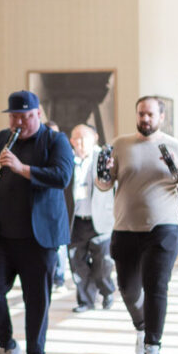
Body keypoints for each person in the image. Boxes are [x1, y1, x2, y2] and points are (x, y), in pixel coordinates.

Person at [96, 96, 178, 354]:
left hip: (162, 228)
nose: (145, 119)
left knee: (156, 286)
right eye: (141, 114)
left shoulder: (175, 146)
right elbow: (105, 185)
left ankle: (153, 345)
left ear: (161, 117)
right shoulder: (120, 144)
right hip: (125, 228)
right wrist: (104, 174)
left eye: (151, 115)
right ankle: (141, 326)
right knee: (128, 289)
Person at [0, 91, 73, 354]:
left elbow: (62, 176)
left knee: (37, 299)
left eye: (25, 116)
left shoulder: (56, 141)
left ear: (38, 115)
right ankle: (7, 345)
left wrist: (22, 169)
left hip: (38, 237)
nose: (19, 122)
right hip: (0, 236)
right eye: (14, 116)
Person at [67, 124, 116, 313]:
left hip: (101, 220)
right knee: (77, 262)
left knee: (102, 264)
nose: (79, 142)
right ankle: (86, 300)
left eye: (83, 138)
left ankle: (107, 290)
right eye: (75, 138)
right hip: (76, 221)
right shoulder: (68, 160)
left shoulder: (104, 157)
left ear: (94, 137)